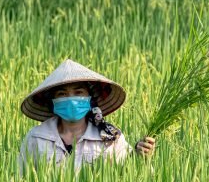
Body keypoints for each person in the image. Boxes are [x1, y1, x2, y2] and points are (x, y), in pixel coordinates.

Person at [18, 59, 155, 175]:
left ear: (90, 99)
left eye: (78, 92)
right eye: (62, 94)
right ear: (53, 101)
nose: (71, 99)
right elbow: (20, 179)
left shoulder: (110, 137)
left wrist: (141, 157)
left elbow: (132, 177)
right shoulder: (37, 137)